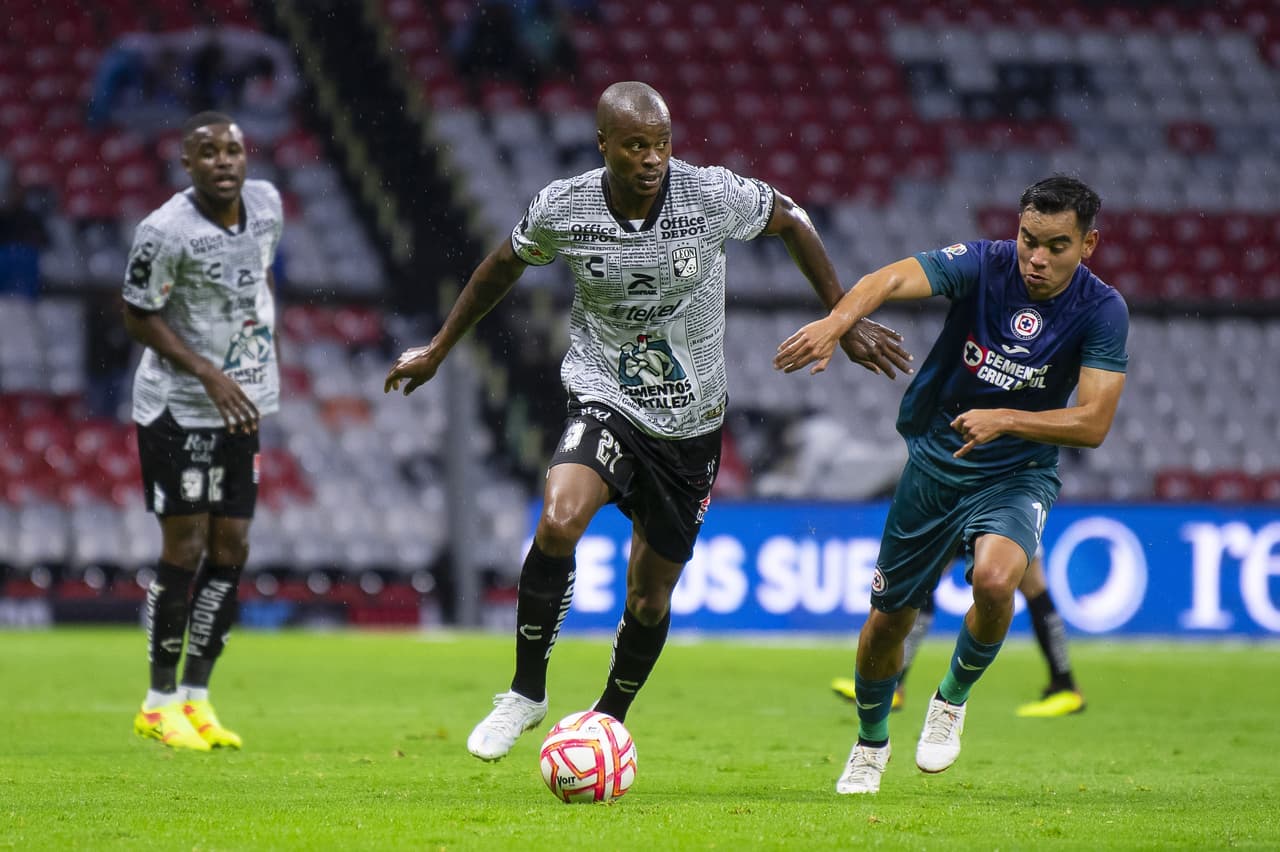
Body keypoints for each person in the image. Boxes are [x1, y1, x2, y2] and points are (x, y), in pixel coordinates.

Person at [385, 81, 912, 763]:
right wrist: (438, 348)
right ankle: (525, 691)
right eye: (636, 145)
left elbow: (791, 219)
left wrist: (842, 319)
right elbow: (501, 267)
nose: (652, 158)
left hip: (691, 425)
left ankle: (608, 719)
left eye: (661, 143)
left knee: (650, 593)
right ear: (603, 145)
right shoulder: (564, 207)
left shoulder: (709, 195)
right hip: (604, 395)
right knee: (558, 518)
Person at [775, 175, 1127, 794]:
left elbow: (1094, 422)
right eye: (1027, 240)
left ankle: (950, 700)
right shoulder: (984, 265)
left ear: (1088, 245)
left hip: (1019, 470)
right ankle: (870, 743)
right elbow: (887, 279)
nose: (1036, 258)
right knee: (887, 622)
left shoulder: (1103, 310)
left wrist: (1007, 419)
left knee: (996, 581)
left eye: (1055, 245)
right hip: (937, 461)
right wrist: (837, 322)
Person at [123, 111, 283, 751]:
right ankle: (157, 703)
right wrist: (208, 373)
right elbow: (138, 315)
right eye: (207, 152)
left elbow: (257, 280)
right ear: (186, 164)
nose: (223, 160)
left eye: (233, 150)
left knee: (232, 550)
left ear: (247, 157)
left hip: (244, 403)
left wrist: (252, 359)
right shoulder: (164, 230)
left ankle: (197, 698)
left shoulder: (269, 204)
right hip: (179, 407)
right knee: (184, 551)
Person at [831, 549, 1087, 718]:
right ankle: (892, 685)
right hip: (962, 492)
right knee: (924, 577)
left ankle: (1065, 686)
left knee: (1031, 584)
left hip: (1003, 500)